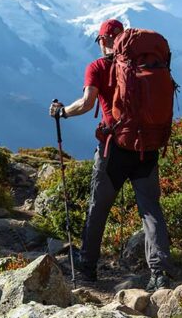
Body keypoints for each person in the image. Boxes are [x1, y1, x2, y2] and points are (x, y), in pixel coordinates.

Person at [49, 18, 174, 291]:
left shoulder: (97, 66)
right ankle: (160, 273)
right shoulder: (147, 63)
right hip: (148, 147)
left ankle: (87, 270)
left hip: (114, 149)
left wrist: (61, 112)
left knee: (98, 208)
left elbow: (86, 103)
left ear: (104, 40)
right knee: (150, 210)